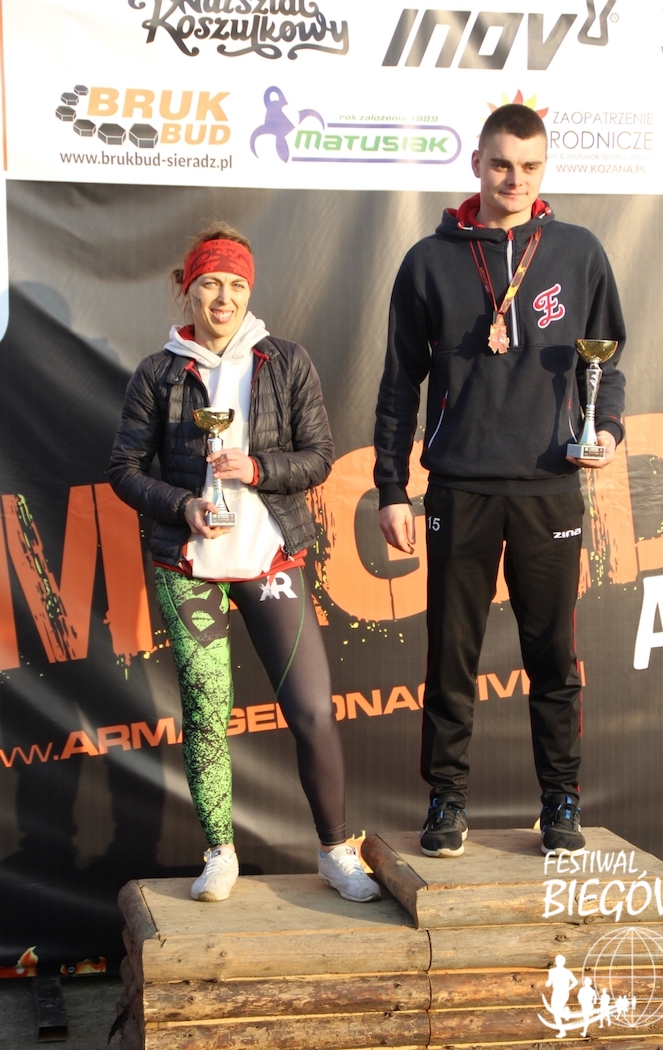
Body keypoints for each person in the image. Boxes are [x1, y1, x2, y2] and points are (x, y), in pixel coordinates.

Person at [374, 104, 625, 858]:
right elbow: (399, 384)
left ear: (544, 169)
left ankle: (562, 801)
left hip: (550, 484)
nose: (515, 180)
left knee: (553, 658)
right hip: (460, 486)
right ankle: (447, 801)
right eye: (502, 164)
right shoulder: (429, 260)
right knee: (452, 655)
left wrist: (607, 430)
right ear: (477, 164)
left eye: (530, 167)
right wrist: (392, 487)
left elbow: (607, 364)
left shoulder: (578, 251)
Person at [110, 223, 380, 904]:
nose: (223, 297)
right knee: (207, 717)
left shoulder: (285, 361)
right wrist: (182, 505)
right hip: (189, 567)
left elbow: (318, 457)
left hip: (270, 560)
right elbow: (124, 469)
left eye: (235, 284)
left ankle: (335, 852)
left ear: (249, 290)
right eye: (210, 283)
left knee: (312, 710)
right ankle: (220, 853)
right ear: (188, 289)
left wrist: (256, 468)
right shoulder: (159, 372)